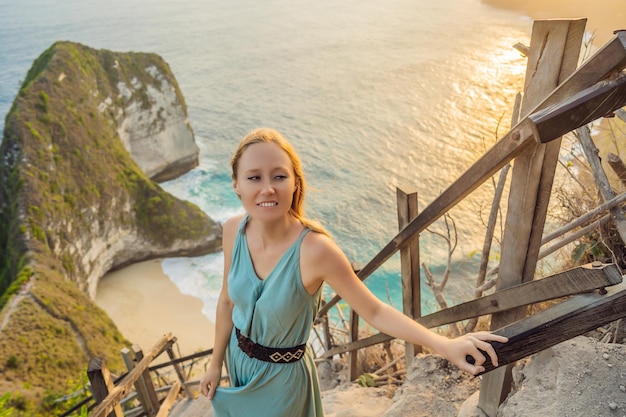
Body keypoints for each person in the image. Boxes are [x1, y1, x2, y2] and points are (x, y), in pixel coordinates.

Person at [199, 127, 508, 416]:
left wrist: (443, 344)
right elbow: (227, 302)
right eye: (254, 177)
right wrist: (215, 364)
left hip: (282, 381)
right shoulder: (232, 230)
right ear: (236, 184)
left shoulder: (316, 251)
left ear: (295, 183)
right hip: (236, 362)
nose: (267, 188)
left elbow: (374, 310)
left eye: (279, 176)